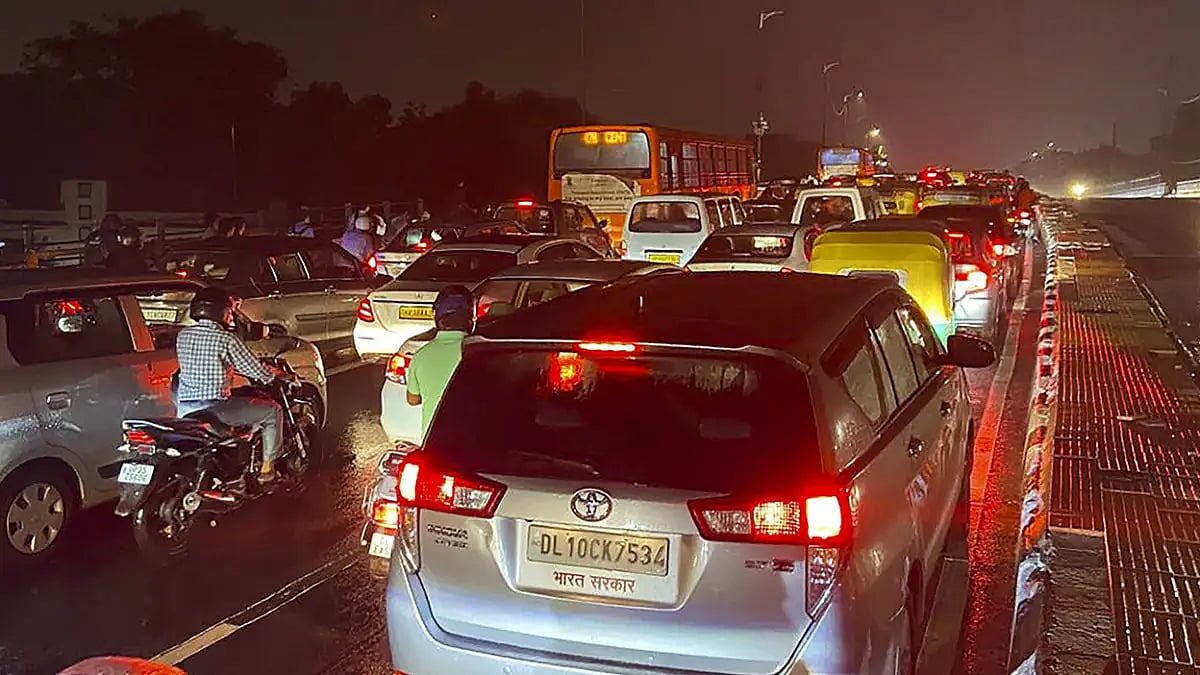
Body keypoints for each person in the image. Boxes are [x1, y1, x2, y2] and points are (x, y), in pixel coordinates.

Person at [175, 288, 283, 481]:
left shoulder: (183, 335)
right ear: (222, 312)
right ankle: (267, 470)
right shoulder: (226, 339)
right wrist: (273, 374)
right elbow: (256, 370)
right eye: (230, 311)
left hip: (184, 408)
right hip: (214, 409)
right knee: (272, 411)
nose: (231, 316)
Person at [406, 285, 473, 438]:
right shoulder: (477, 353)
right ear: (469, 318)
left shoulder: (421, 355)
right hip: (469, 443)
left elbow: (413, 399)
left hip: (433, 443)